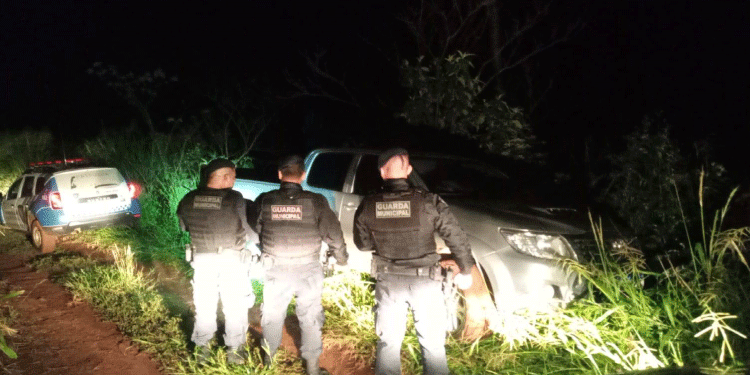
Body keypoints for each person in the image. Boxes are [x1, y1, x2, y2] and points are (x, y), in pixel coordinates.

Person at [353, 148, 475, 375]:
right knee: (433, 346)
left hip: (389, 282)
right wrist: (466, 269)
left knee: (388, 344)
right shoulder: (428, 201)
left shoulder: (368, 204)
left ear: (382, 172)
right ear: (408, 171)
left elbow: (363, 245)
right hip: (426, 284)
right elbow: (455, 236)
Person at [250, 154, 348, 375]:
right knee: (310, 316)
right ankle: (312, 368)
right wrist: (341, 258)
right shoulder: (316, 201)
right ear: (303, 176)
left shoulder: (265, 199)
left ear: (279, 175)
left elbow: (256, 226)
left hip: (275, 267)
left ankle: (268, 363)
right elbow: (333, 234)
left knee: (273, 314)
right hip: (308, 269)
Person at [176, 158, 259, 364]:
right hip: (231, 261)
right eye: (233, 175)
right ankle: (235, 352)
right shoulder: (235, 199)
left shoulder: (188, 198)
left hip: (202, 260)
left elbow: (183, 226)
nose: (235, 179)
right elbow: (250, 231)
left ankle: (202, 350)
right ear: (223, 177)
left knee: (204, 304)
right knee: (235, 305)